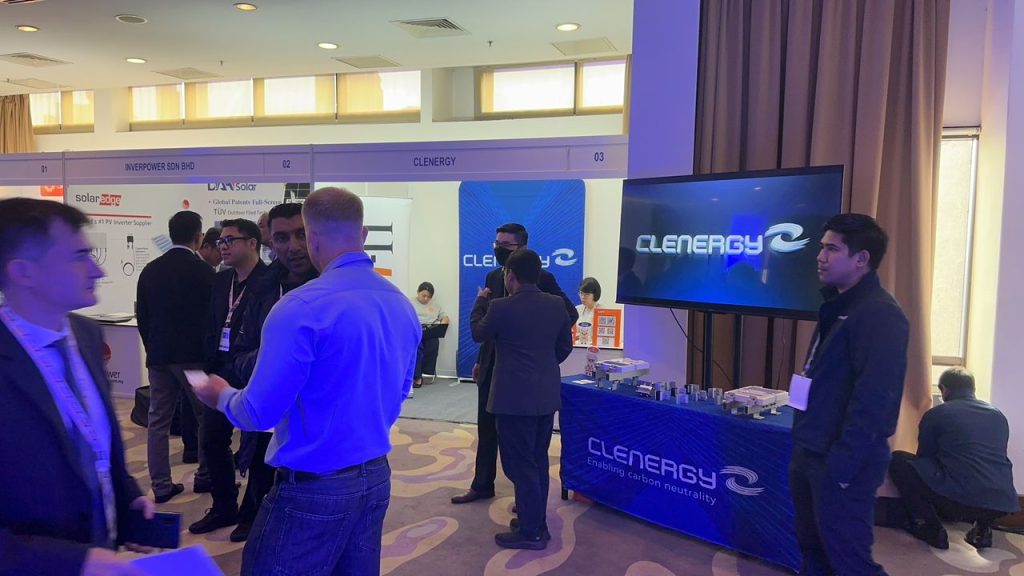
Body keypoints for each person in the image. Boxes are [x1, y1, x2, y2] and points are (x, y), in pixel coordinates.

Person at [191, 187, 420, 576]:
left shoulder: (299, 308)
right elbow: (400, 392)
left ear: (312, 238)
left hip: (315, 486)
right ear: (363, 234)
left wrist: (220, 394)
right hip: (376, 476)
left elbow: (258, 413)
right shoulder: (400, 302)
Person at [0, 198, 156, 576]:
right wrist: (72, 561)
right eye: (79, 256)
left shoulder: (86, 335)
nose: (98, 270)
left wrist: (125, 496)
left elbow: (93, 445)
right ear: (23, 271)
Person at [789, 213, 909, 576]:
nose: (820, 257)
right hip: (811, 448)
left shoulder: (880, 314)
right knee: (813, 550)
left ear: (861, 259)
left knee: (850, 559)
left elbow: (876, 400)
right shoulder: (837, 304)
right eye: (821, 248)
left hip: (841, 459)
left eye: (831, 249)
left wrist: (843, 466)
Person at [451, 223, 578, 505]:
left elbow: (569, 314)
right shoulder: (493, 276)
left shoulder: (541, 278)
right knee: (487, 430)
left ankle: (527, 504)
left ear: (522, 247)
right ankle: (482, 484)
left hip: (525, 377)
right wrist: (480, 361)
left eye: (505, 245)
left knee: (526, 447)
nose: (499, 249)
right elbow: (489, 327)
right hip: (493, 367)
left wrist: (542, 356)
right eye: (496, 244)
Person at [220, 202, 319, 542]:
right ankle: (251, 516)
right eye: (282, 238)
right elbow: (240, 352)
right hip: (269, 398)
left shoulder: (333, 286)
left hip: (317, 411)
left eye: (301, 234)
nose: (293, 246)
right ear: (269, 242)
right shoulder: (262, 287)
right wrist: (273, 361)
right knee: (261, 462)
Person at [471, 248, 573, 549]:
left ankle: (532, 532)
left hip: (513, 399)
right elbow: (564, 347)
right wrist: (543, 365)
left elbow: (477, 332)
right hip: (545, 395)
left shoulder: (500, 307)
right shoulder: (557, 305)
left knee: (519, 464)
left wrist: (480, 301)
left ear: (510, 275)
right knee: (537, 460)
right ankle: (535, 521)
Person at [189, 218, 268, 535]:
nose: (223, 246)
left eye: (230, 240)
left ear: (252, 243)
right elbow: (212, 323)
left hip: (252, 371)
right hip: (220, 368)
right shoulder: (222, 280)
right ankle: (224, 507)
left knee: (256, 448)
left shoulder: (268, 282)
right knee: (212, 441)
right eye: (221, 241)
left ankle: (251, 514)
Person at [888, 367, 1019, 550]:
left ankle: (929, 527)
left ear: (944, 389)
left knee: (899, 460)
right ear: (973, 389)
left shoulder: (938, 414)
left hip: (959, 500)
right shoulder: (998, 416)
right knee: (984, 473)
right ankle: (983, 529)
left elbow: (924, 458)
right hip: (1001, 502)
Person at [136, 210, 214, 503]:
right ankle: (205, 475)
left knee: (158, 421)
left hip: (159, 358)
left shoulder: (151, 270)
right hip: (194, 360)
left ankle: (161, 485)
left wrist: (152, 347)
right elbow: (213, 318)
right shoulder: (204, 272)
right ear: (198, 236)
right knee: (205, 416)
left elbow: (142, 316)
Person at [411, 281, 449, 389]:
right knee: (418, 347)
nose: (426, 298)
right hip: (415, 331)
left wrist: (441, 325)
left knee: (433, 344)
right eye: (423, 295)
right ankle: (417, 376)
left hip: (429, 331)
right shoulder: (409, 303)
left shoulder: (436, 306)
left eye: (429, 297)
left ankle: (427, 372)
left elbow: (445, 317)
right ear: (418, 292)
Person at [575, 276, 601, 345]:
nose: (583, 297)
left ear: (595, 294)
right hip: (578, 347)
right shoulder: (576, 309)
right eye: (581, 293)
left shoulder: (603, 311)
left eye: (587, 294)